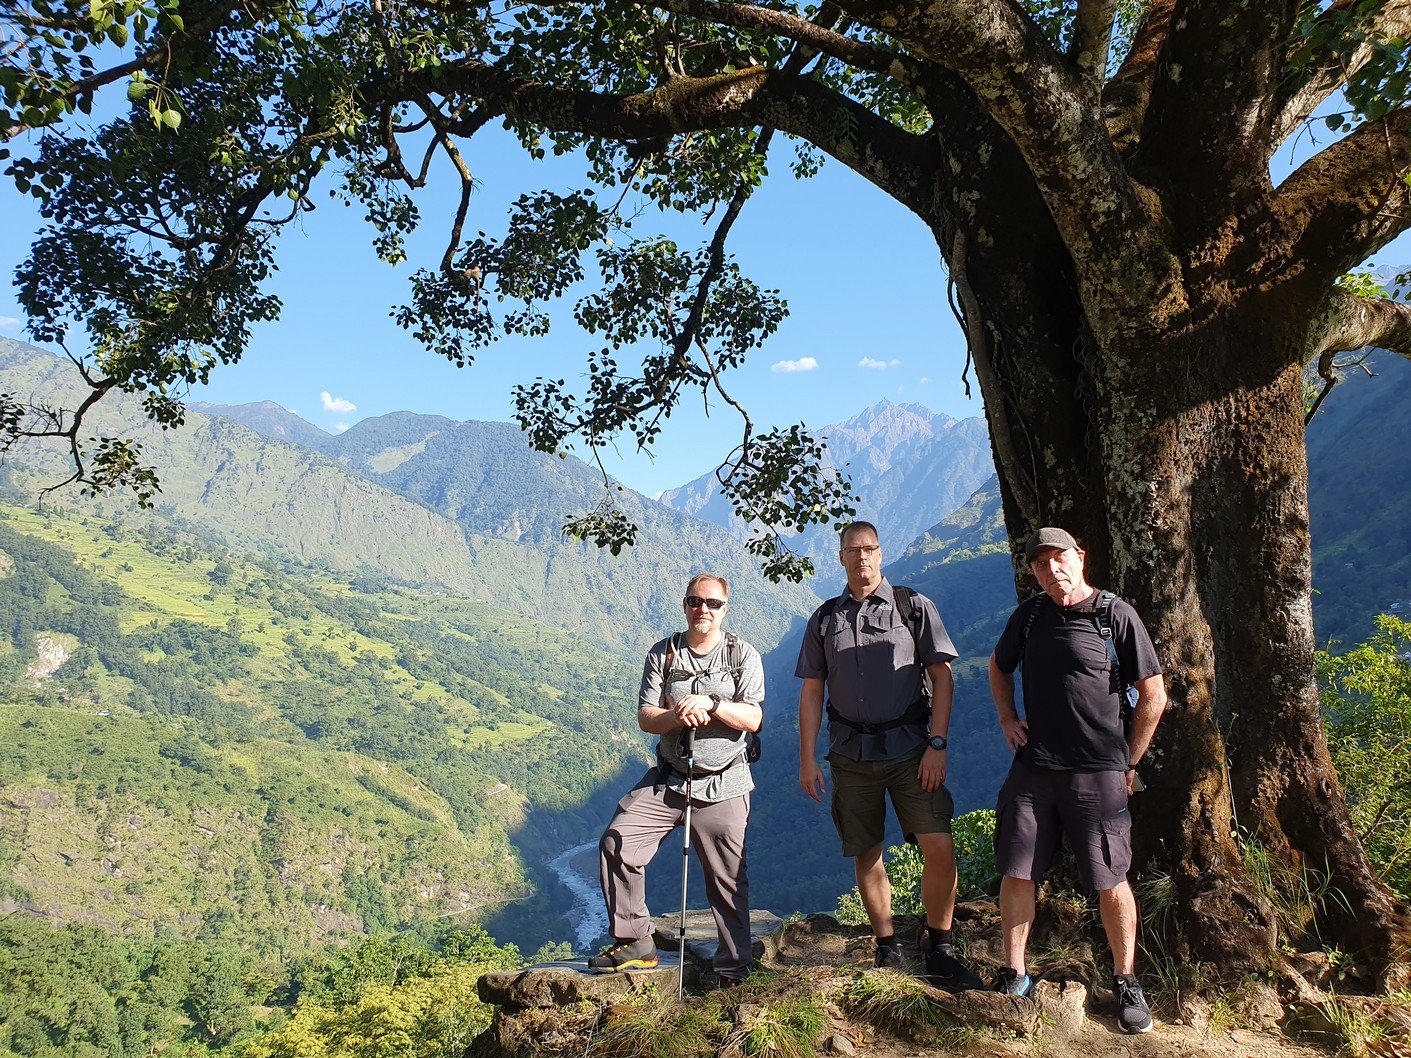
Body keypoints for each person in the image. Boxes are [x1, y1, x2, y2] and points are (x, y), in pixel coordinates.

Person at [988, 527, 1168, 1034]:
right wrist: (1007, 718)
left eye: (1059, 558)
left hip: (1098, 772)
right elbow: (998, 669)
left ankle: (1126, 981)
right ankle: (1015, 975)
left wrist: (1128, 762)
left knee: (1111, 878)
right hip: (1034, 769)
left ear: (1080, 558)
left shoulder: (1115, 616)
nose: (1052, 569)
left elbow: (1154, 696)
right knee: (1017, 870)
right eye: (1040, 563)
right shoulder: (1028, 618)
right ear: (1033, 572)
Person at [796, 521, 983, 991]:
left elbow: (942, 677)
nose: (862, 556)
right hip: (849, 753)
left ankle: (940, 945)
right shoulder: (824, 619)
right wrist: (807, 758)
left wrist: (938, 744)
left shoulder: (912, 607)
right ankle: (886, 945)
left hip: (912, 750)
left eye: (869, 548)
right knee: (866, 850)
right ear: (840, 557)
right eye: (852, 549)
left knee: (938, 844)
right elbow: (812, 692)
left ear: (881, 553)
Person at [592, 573, 764, 984]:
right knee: (618, 842)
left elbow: (753, 717)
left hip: (724, 783)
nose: (703, 609)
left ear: (725, 608)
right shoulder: (663, 654)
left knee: (727, 880)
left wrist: (712, 704)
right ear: (685, 604)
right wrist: (676, 715)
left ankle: (733, 969)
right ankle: (636, 941)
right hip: (670, 780)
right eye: (695, 601)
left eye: (713, 603)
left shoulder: (742, 654)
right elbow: (646, 716)